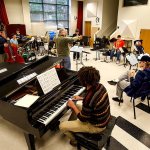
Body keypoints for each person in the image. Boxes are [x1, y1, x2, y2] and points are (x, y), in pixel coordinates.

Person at [59, 66, 111, 146]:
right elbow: (94, 101)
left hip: (97, 126)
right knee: (78, 106)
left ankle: (75, 141)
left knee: (62, 126)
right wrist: (81, 98)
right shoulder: (100, 86)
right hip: (103, 118)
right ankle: (72, 125)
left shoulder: (89, 99)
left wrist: (73, 106)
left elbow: (83, 118)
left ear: (85, 81)